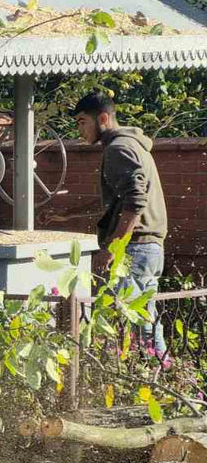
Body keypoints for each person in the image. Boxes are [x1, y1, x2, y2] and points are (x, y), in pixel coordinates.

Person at [72, 91, 169, 358]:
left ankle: (164, 375)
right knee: (145, 321)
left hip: (134, 249)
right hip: (148, 247)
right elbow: (117, 200)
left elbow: (135, 202)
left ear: (103, 118)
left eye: (82, 122)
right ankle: (164, 377)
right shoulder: (130, 145)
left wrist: (114, 248)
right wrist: (66, 215)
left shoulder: (118, 149)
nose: (79, 130)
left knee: (140, 324)